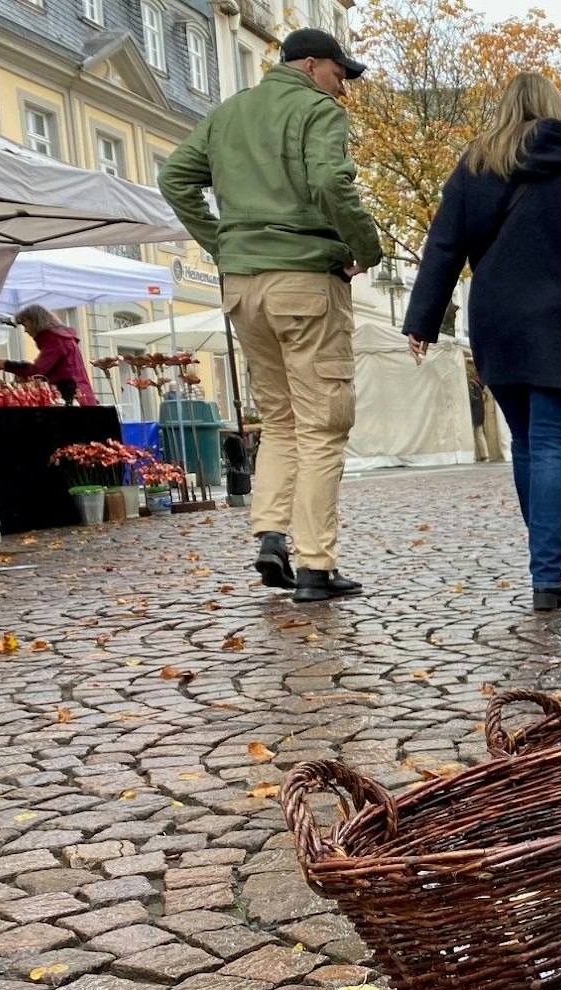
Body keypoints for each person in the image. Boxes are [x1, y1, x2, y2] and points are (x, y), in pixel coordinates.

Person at [402, 73, 561, 612]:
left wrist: (422, 321)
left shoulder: (473, 168)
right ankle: (547, 575)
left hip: (497, 322)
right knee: (550, 447)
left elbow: (443, 246)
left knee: (525, 443)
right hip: (560, 324)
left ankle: (543, 569)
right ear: (552, 108)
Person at [159, 27, 383, 604]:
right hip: (305, 278)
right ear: (310, 65)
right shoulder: (318, 111)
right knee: (323, 423)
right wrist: (366, 247)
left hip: (243, 287)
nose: (343, 87)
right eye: (340, 73)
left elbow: (174, 177)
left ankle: (272, 535)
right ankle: (316, 566)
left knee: (280, 420)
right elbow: (332, 180)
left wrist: (222, 244)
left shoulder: (228, 113)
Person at [0, 306, 96, 405]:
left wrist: (6, 364)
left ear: (34, 321)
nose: (25, 330)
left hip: (74, 398)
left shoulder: (56, 340)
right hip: (78, 395)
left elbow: (37, 370)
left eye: (25, 324)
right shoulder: (60, 337)